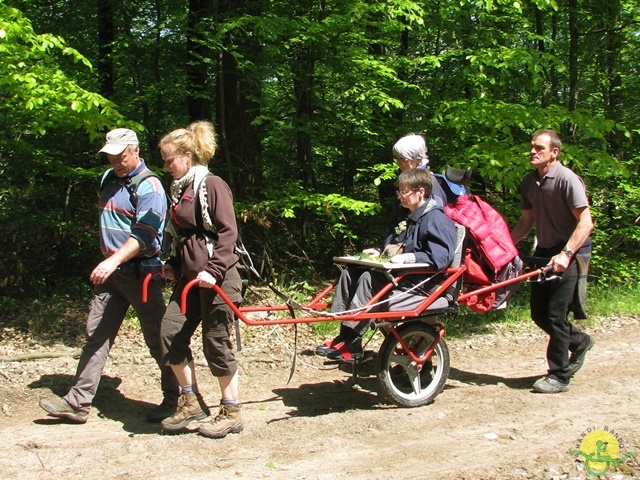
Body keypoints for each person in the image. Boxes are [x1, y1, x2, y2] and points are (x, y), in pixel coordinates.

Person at [39, 128, 180, 423]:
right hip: (112, 273)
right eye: (111, 156)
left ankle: (176, 399)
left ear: (136, 151)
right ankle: (78, 403)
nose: (116, 161)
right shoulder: (108, 179)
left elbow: (145, 233)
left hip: (141, 275)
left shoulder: (150, 186)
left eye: (121, 155)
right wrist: (111, 263)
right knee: (96, 336)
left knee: (158, 338)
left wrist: (113, 261)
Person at [157, 121, 244, 438]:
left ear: (187, 154)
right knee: (169, 332)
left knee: (215, 342)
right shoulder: (180, 191)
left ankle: (231, 411)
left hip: (219, 279)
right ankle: (190, 400)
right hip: (190, 281)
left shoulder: (212, 185)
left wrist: (214, 269)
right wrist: (175, 263)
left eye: (169, 160)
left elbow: (227, 233)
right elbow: (186, 237)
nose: (166, 167)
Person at [317, 169, 458, 361]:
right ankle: (345, 335)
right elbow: (399, 247)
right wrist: (380, 254)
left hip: (422, 285)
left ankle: (354, 341)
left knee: (369, 279)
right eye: (398, 192)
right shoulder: (408, 217)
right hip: (401, 277)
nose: (399, 197)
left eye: (404, 192)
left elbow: (440, 258)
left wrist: (408, 258)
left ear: (421, 192)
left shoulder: (437, 220)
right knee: (350, 273)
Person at [510, 129, 595, 394]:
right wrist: (503, 248)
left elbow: (586, 222)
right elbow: (526, 221)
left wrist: (567, 253)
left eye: (539, 148)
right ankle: (580, 341)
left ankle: (559, 375)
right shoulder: (528, 182)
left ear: (554, 152)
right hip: (545, 251)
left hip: (571, 251)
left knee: (556, 315)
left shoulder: (567, 180)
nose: (533, 152)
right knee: (539, 313)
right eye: (532, 147)